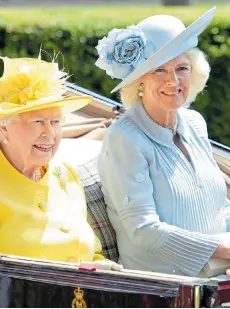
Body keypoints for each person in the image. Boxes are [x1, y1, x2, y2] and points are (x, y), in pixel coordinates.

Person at [95, 7, 230, 277]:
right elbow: (142, 229)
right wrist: (221, 248)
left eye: (182, 68)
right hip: (164, 286)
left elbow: (218, 204)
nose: (173, 80)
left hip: (218, 272)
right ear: (140, 82)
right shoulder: (124, 138)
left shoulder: (194, 123)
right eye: (159, 70)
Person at [0, 54, 122, 271]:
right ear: (4, 128)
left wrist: (103, 270)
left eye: (56, 122)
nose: (50, 133)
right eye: (38, 122)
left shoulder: (64, 173)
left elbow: (90, 254)